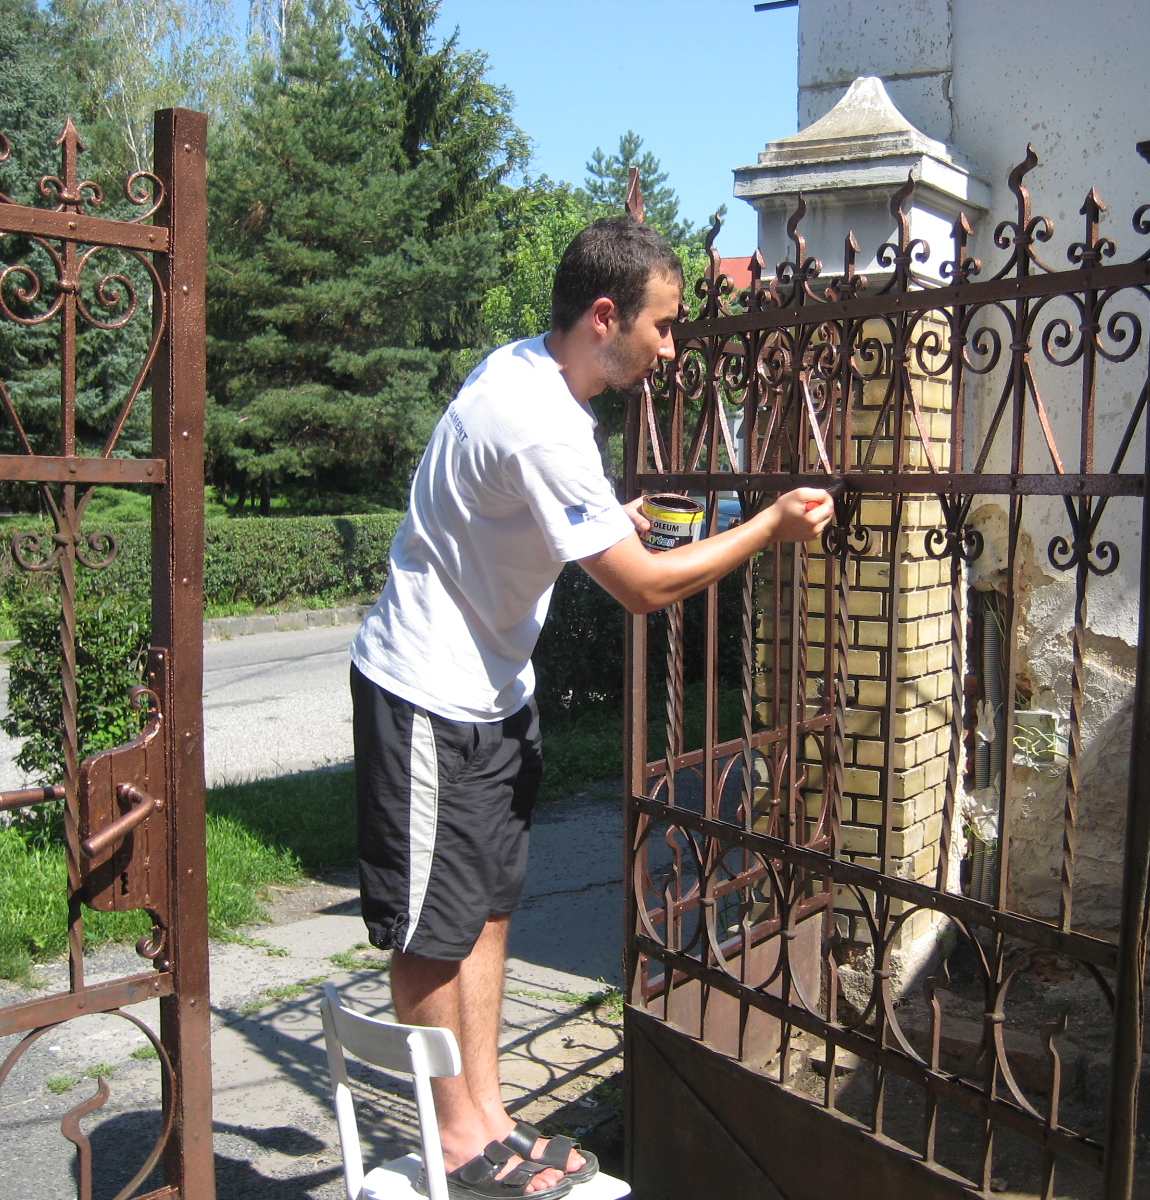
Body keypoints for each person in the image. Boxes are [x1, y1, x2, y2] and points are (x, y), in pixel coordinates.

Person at [348, 216, 833, 1199]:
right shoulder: (539, 419)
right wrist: (773, 527)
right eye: (661, 323)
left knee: (484, 913)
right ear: (605, 316)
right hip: (428, 694)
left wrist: (612, 519)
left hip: (490, 695)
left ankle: (488, 1122)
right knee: (430, 931)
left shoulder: (536, 379)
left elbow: (536, 510)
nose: (670, 343)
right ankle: (457, 1145)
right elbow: (645, 591)